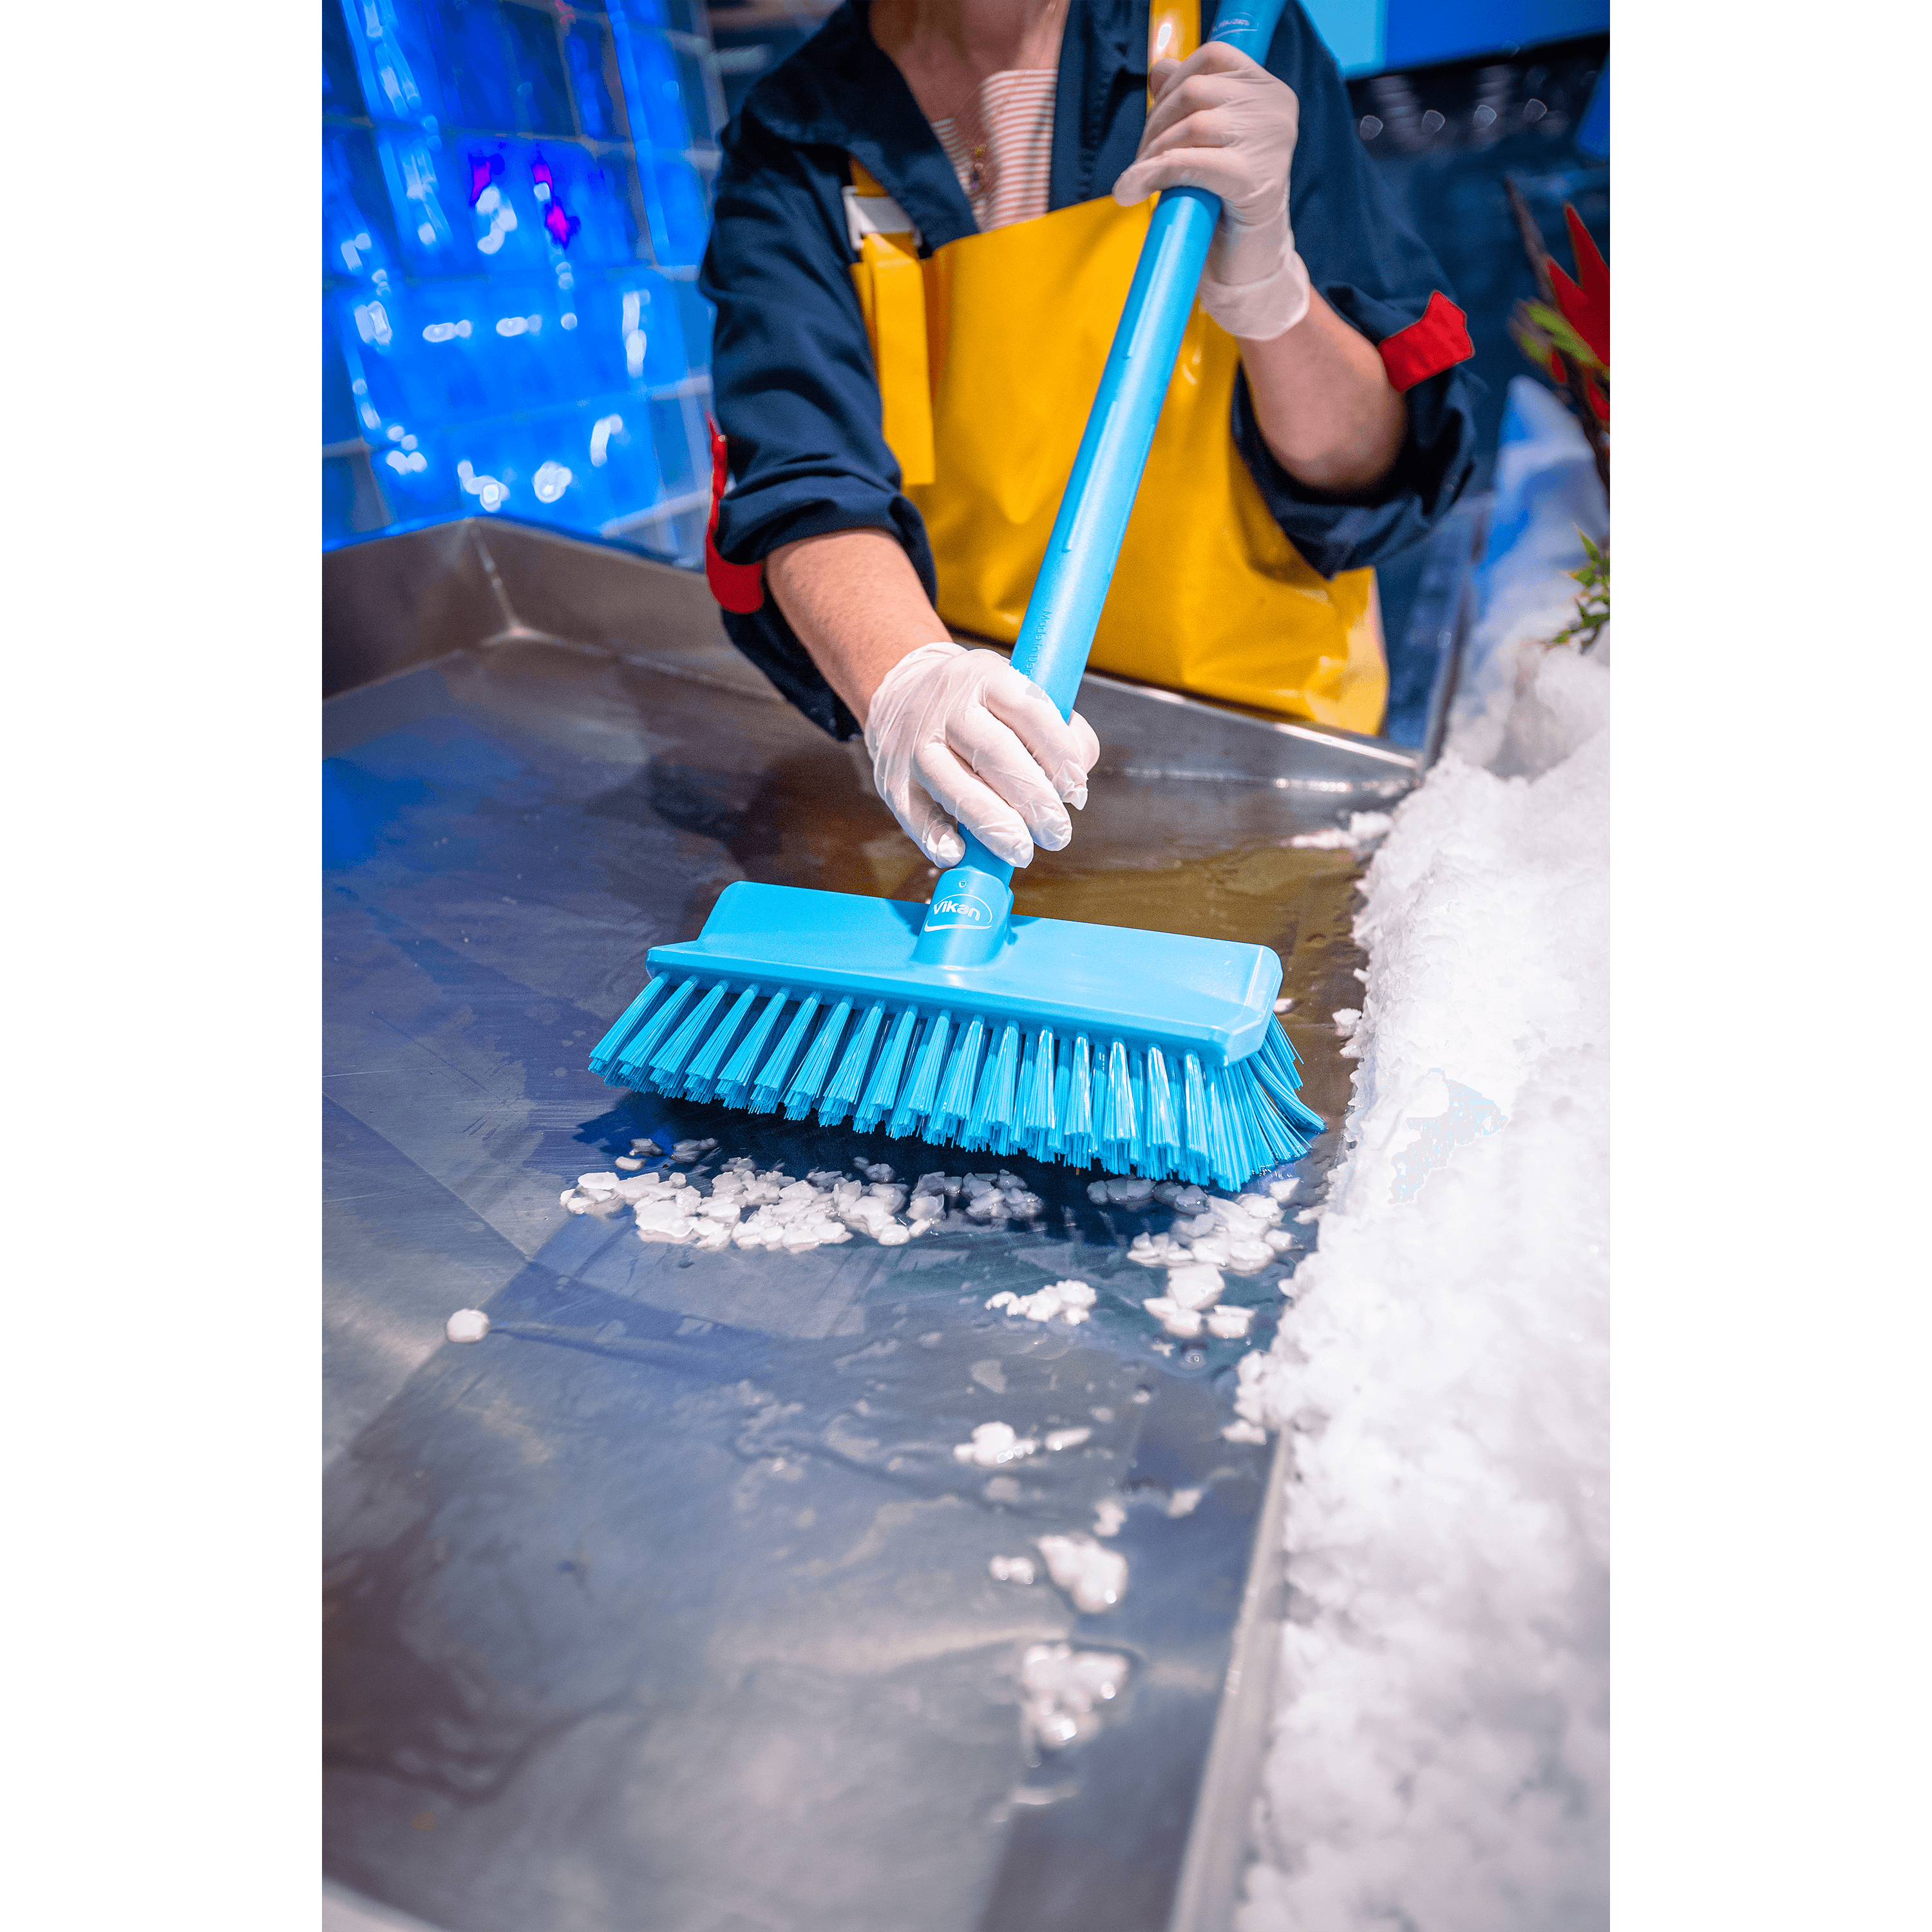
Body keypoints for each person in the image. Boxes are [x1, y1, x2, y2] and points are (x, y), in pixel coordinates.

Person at [698, 0, 1477, 875]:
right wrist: (914, 682)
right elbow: (804, 481)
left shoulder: (1229, 35)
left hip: (1278, 764)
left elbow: (1364, 466)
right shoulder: (795, 135)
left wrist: (1271, 294)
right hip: (979, 768)